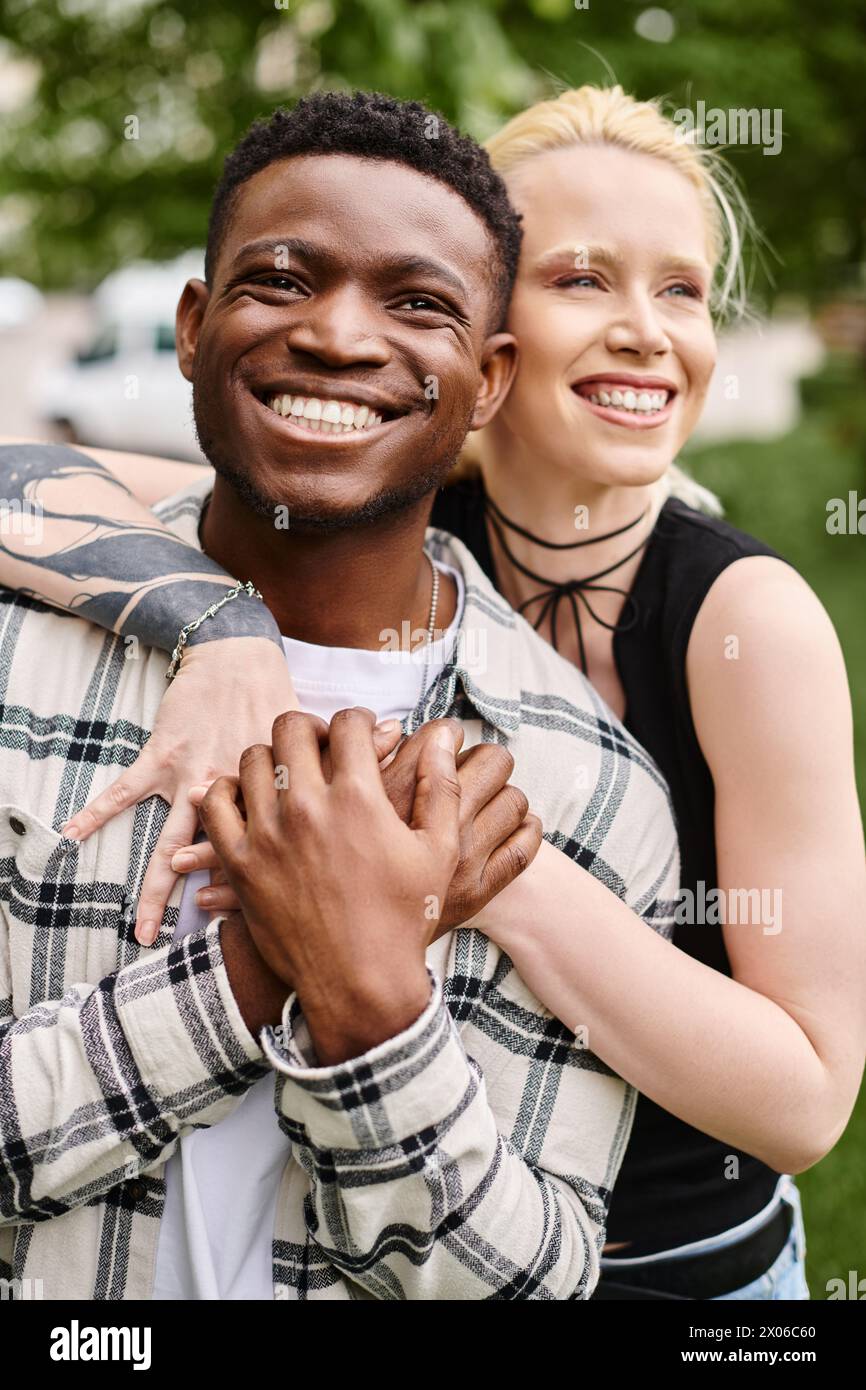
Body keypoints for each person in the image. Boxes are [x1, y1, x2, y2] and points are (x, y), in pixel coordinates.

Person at [6, 83, 864, 1303]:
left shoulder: (739, 620)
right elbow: (34, 480)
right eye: (582, 279)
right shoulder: (374, 488)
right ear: (493, 329)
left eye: (680, 288)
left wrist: (467, 857)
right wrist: (220, 621)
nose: (642, 329)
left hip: (674, 1258)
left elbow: (805, 1101)